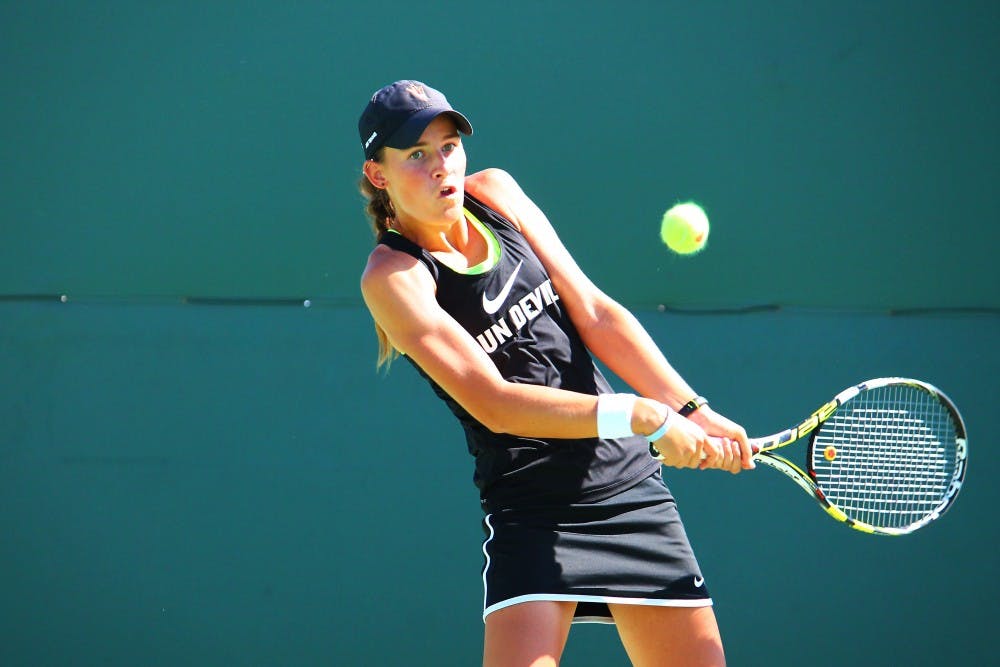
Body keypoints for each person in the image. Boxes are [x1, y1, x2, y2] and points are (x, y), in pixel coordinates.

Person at [357, 80, 754, 667]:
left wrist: (690, 407)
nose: (441, 167)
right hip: (531, 509)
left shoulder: (495, 195)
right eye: (415, 155)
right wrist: (642, 415)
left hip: (628, 493)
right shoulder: (393, 279)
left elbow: (593, 311)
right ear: (378, 174)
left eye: (447, 146)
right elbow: (493, 401)